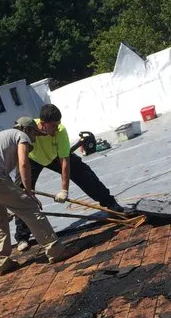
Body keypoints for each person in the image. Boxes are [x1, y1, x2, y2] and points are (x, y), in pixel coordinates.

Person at [14, 104, 134, 251]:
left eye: (58, 124)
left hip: (54, 156)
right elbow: (23, 162)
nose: (57, 128)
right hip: (32, 159)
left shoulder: (61, 131)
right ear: (42, 124)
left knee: (84, 173)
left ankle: (111, 204)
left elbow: (65, 162)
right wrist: (27, 188)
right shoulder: (29, 129)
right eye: (53, 126)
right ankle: (22, 236)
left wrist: (64, 190)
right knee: (20, 193)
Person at [0, 117, 65, 275]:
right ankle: (56, 251)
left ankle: (2, 263)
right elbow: (24, 164)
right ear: (28, 130)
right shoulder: (21, 136)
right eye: (35, 135)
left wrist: (14, 203)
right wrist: (29, 193)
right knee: (30, 209)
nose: (35, 139)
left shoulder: (1, 137)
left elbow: (4, 177)